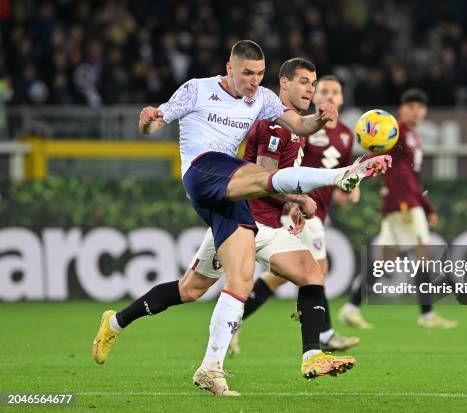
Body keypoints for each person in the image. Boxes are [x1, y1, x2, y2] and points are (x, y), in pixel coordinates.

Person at [92, 42, 391, 396]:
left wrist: (320, 120)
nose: (253, 81)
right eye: (247, 73)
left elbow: (301, 124)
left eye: (259, 73)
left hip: (236, 205)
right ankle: (340, 175)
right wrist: (148, 121)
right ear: (229, 68)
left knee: (215, 285)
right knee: (255, 188)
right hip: (205, 174)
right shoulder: (197, 89)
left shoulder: (263, 100)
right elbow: (158, 121)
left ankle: (122, 325)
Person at [231, 75, 360, 355]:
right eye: (322, 90)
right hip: (296, 208)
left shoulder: (347, 135)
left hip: (318, 210)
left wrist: (351, 186)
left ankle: (234, 320)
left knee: (278, 277)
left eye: (334, 91)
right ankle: (322, 335)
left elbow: (339, 173)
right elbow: (287, 166)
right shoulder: (304, 128)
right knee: (317, 270)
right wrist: (293, 200)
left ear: (341, 98)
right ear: (313, 98)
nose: (328, 95)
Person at [338, 88, 457, 330]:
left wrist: (426, 205)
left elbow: (413, 176)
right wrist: (350, 180)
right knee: (423, 254)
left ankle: (351, 308)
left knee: (385, 261)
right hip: (402, 203)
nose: (417, 111)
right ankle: (427, 315)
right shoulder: (396, 133)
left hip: (403, 202)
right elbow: (376, 156)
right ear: (402, 109)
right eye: (411, 106)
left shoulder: (413, 136)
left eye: (420, 107)